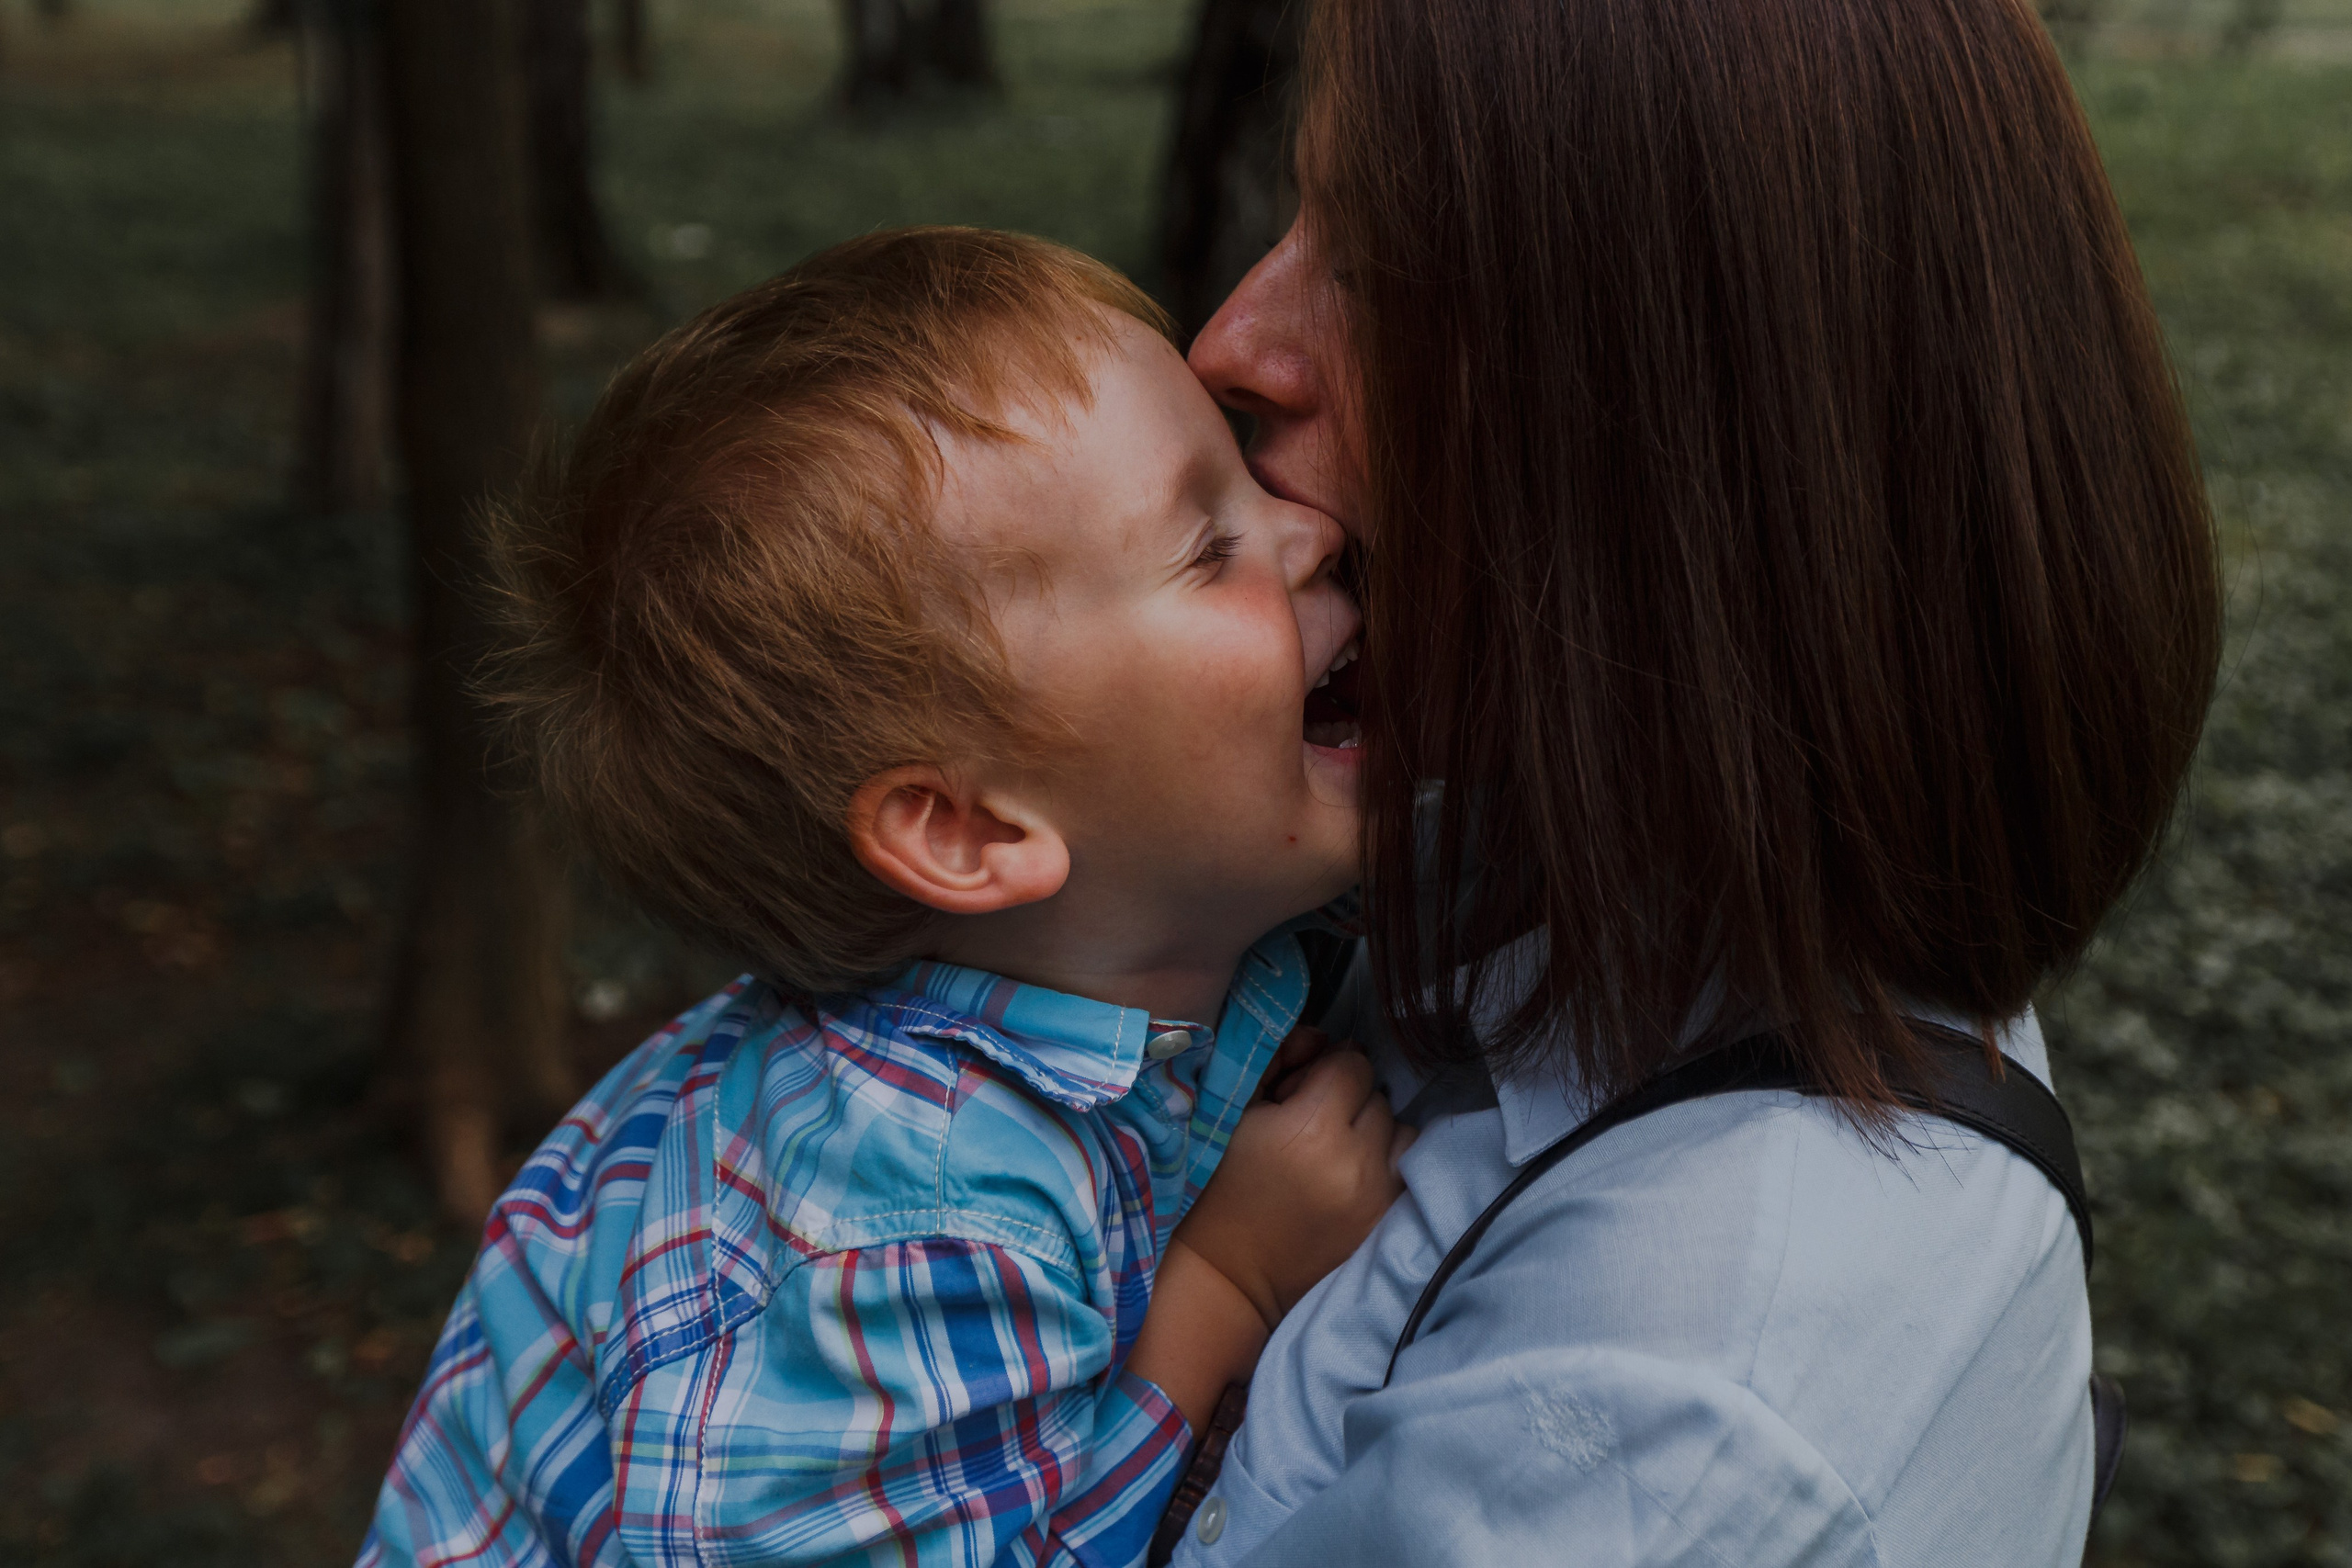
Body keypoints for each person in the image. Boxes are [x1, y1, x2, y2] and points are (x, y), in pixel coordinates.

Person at [1170, 0, 2222, 1562]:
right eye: (1298, 215)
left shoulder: (1669, 1418)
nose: (1230, 343)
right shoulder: (1609, 865)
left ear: (1703, 446)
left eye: (1383, 275)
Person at [357, 227, 1407, 1568]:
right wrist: (1226, 1281)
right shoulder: (901, 1225)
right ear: (968, 829)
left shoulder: (1136, 952)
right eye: (1210, 547)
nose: (1313, 529)